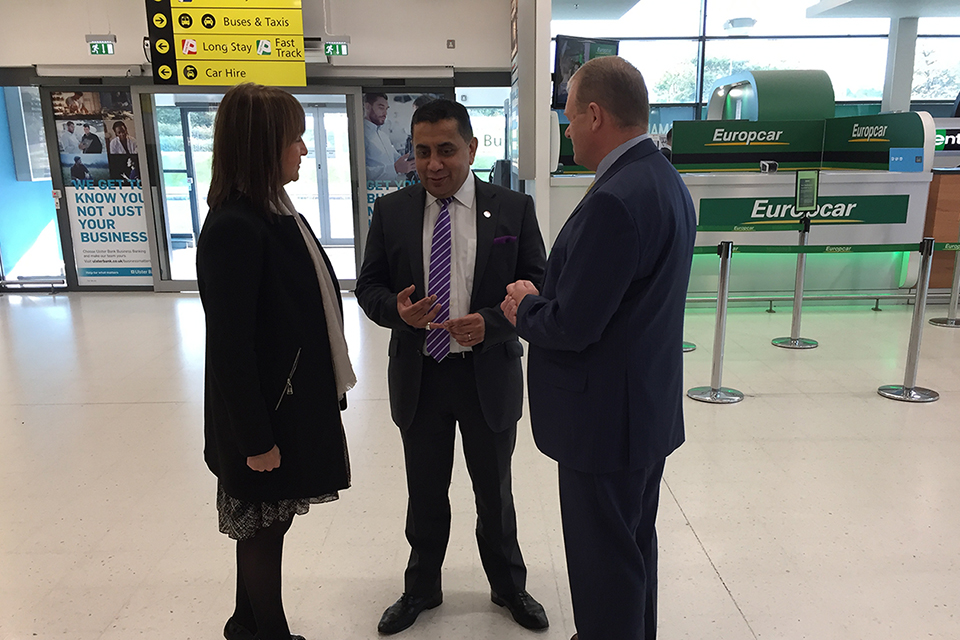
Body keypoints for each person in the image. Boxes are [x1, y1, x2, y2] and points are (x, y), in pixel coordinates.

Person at [501, 56, 696, 640]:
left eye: (567, 118)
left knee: (602, 566)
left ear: (595, 114)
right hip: (642, 411)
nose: (566, 131)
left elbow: (575, 325)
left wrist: (524, 307)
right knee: (632, 549)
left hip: (604, 422)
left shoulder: (616, 199)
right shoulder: (663, 180)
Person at [355, 99, 548, 635]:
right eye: (422, 152)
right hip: (421, 376)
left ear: (472, 148)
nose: (433, 164)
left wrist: (493, 322)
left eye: (446, 150)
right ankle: (420, 588)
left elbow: (540, 284)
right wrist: (396, 310)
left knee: (495, 492)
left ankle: (509, 587)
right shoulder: (391, 211)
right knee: (425, 492)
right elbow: (367, 288)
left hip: (488, 374)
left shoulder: (513, 209)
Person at [196, 82, 356, 640]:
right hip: (263, 415)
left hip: (287, 403)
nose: (304, 152)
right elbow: (230, 349)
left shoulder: (273, 211)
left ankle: (245, 623)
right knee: (263, 528)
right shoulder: (235, 227)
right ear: (265, 145)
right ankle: (271, 632)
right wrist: (255, 440)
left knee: (268, 523)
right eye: (295, 140)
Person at [363, 92, 416, 184]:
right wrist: (395, 169)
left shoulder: (383, 135)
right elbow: (362, 173)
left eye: (386, 109)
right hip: (372, 194)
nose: (385, 113)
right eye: (381, 107)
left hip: (389, 191)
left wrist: (410, 159)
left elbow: (396, 158)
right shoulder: (361, 135)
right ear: (367, 106)